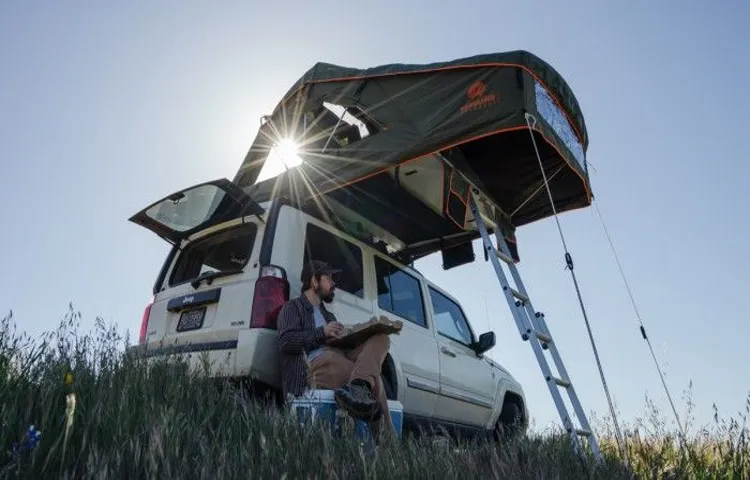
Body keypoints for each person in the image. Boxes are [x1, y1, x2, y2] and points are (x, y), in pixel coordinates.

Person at [277, 259, 395, 441]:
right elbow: (286, 342)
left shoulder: (328, 315)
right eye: (328, 278)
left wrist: (349, 336)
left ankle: (358, 386)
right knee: (375, 380)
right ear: (314, 281)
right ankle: (387, 444)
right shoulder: (292, 308)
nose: (333, 283)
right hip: (315, 364)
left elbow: (336, 344)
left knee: (381, 338)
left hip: (337, 355)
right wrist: (322, 332)